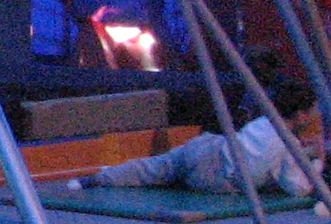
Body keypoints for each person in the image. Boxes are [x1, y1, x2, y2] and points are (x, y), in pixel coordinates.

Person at [68, 75, 318, 197]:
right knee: (162, 174)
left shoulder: (263, 123)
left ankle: (96, 179)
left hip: (208, 150)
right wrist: (317, 160)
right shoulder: (290, 145)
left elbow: (262, 151)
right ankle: (107, 177)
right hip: (216, 178)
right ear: (300, 115)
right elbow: (296, 187)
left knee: (155, 167)